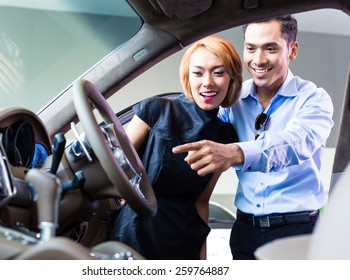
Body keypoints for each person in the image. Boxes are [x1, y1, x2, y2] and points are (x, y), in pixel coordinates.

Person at [172, 15, 334, 259]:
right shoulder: (231, 101)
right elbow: (197, 128)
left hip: (298, 232)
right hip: (244, 233)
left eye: (270, 48)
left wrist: (236, 152)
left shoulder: (314, 99)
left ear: (293, 50)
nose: (258, 60)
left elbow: (296, 143)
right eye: (250, 48)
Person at [109, 36, 243, 260]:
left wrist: (202, 261)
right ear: (187, 77)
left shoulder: (225, 136)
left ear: (231, 78)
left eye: (218, 72)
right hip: (135, 230)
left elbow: (201, 201)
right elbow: (116, 166)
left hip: (184, 239)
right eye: (198, 73)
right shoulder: (155, 109)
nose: (207, 82)